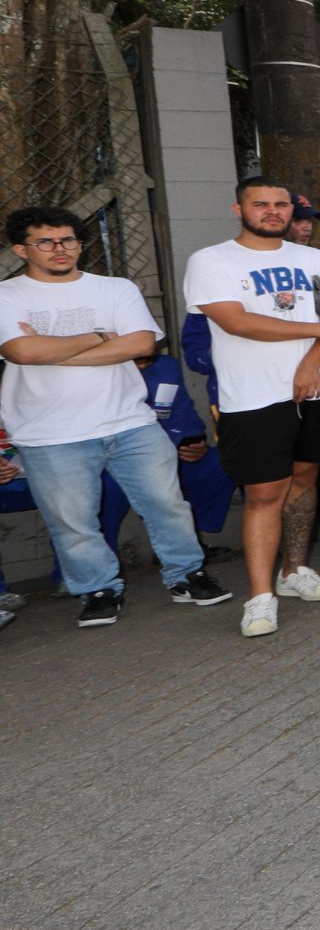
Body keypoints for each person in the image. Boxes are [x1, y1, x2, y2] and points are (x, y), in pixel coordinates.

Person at [1, 206, 231, 625]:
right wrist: (103, 336)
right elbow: (21, 352)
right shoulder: (7, 295)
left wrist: (53, 352)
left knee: (167, 504)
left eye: (69, 239)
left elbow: (142, 344)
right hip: (49, 432)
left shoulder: (115, 288)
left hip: (130, 421)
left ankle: (187, 575)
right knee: (72, 522)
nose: (60, 249)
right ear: (21, 249)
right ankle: (97, 590)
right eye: (45, 241)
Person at [186, 177, 320, 638]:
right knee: (264, 493)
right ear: (238, 209)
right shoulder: (212, 259)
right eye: (260, 204)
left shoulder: (314, 258)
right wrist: (318, 333)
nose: (273, 211)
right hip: (254, 393)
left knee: (305, 479)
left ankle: (293, 571)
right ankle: (260, 596)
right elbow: (236, 321)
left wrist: (311, 362)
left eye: (281, 205)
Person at [95, 347, 239, 562]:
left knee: (224, 464)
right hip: (117, 458)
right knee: (106, 489)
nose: (142, 366)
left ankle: (181, 544)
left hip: (167, 451)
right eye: (136, 360)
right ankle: (94, 567)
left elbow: (184, 413)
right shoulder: (98, 373)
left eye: (147, 360)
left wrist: (192, 441)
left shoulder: (166, 366)